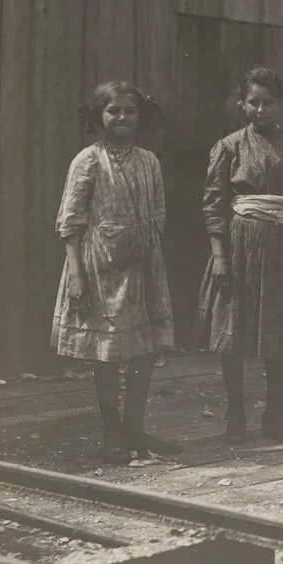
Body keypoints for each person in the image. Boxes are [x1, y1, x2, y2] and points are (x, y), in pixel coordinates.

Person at [53, 82, 180, 463]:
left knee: (144, 349)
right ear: (99, 116)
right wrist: (77, 274)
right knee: (106, 352)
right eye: (113, 111)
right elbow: (70, 222)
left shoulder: (149, 161)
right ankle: (112, 434)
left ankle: (134, 428)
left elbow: (158, 211)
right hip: (100, 266)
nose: (122, 117)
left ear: (140, 116)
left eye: (129, 111)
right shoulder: (88, 160)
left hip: (142, 267)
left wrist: (145, 249)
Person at [196, 68, 283, 445]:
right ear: (241, 104)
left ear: (281, 105)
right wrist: (219, 255)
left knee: (278, 331)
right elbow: (214, 203)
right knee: (233, 331)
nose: (261, 109)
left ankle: (275, 414)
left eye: (268, 102)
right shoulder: (229, 146)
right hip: (240, 246)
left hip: (282, 247)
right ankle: (236, 413)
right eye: (253, 102)